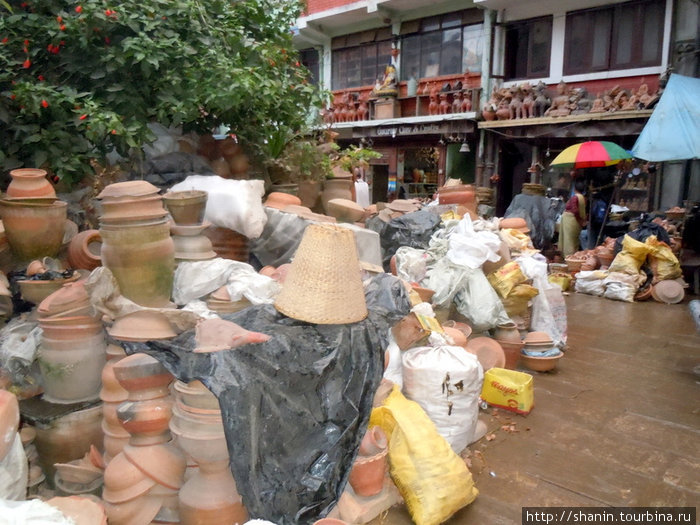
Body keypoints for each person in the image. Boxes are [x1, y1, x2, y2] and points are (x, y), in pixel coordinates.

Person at [559, 180, 587, 257]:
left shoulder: (575, 198)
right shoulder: (583, 198)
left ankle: (569, 257)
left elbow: (575, 210)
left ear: (574, 189)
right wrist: (581, 220)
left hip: (570, 220)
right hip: (575, 221)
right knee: (574, 240)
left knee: (568, 240)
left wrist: (579, 219)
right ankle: (573, 256)